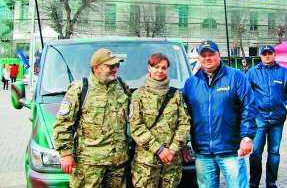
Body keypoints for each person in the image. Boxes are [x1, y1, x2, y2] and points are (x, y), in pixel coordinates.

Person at [183, 40, 257, 188]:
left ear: (219, 55)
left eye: (211, 54)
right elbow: (184, 116)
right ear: (199, 58)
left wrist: (247, 137)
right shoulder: (191, 83)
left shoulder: (236, 77)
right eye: (203, 55)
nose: (207, 58)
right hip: (202, 152)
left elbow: (248, 107)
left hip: (230, 150)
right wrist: (184, 143)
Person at [53, 48, 131, 188]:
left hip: (117, 162)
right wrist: (65, 154)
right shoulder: (80, 89)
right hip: (89, 163)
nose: (115, 69)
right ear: (96, 67)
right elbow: (62, 124)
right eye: (111, 66)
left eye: (117, 65)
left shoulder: (122, 87)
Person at [129, 53, 190, 188]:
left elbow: (184, 123)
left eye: (163, 68)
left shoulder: (176, 95)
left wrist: (173, 149)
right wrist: (160, 150)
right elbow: (136, 127)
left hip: (171, 163)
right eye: (156, 67)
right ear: (149, 68)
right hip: (147, 164)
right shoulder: (138, 95)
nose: (160, 71)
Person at [247, 45, 287, 188]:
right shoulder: (252, 73)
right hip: (259, 118)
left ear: (275, 55)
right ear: (260, 56)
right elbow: (246, 94)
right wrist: (250, 111)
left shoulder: (283, 72)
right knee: (256, 152)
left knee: (274, 152)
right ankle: (254, 183)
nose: (267, 56)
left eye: (270, 53)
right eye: (265, 54)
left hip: (277, 119)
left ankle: (271, 182)